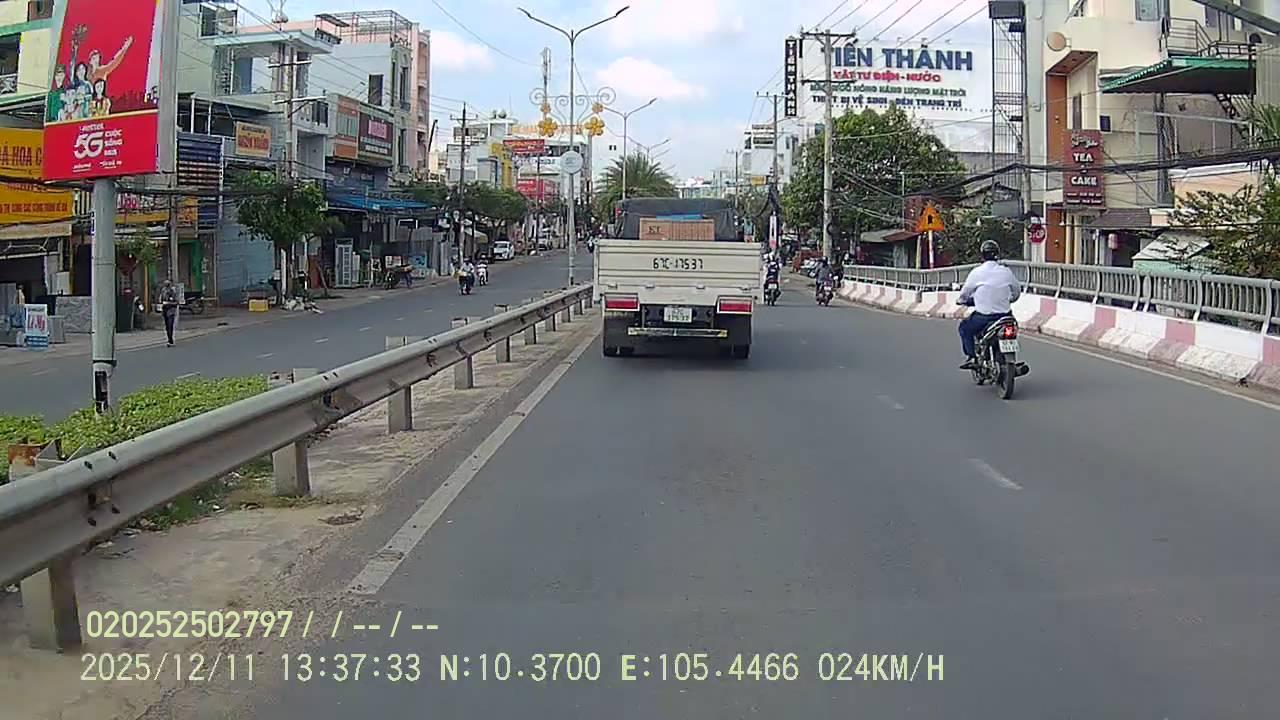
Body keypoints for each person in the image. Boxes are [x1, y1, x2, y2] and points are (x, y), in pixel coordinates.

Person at [957, 240, 1021, 369]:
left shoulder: (977, 272)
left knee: (964, 328)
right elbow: (1016, 291)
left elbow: (965, 292)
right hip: (1005, 316)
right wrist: (1010, 299)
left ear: (982, 255)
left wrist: (962, 300)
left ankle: (972, 357)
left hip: (984, 317)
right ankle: (1012, 363)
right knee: (1012, 331)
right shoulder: (1006, 271)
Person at [159, 279, 180, 347]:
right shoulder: (163, 291)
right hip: (165, 310)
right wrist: (161, 303)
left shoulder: (173, 292)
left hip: (171, 310)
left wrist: (169, 303)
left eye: (167, 285)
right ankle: (169, 339)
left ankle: (170, 340)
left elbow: (176, 302)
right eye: (165, 285)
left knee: (170, 325)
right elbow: (161, 300)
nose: (166, 287)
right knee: (167, 326)